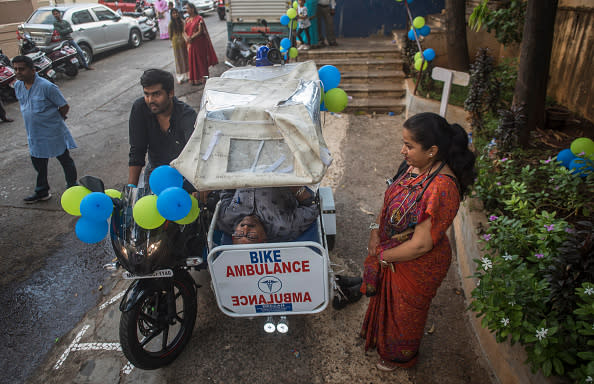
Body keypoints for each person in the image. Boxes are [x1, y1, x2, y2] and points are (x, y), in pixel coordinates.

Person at [360, 112, 476, 371]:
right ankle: (381, 340)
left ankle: (399, 357)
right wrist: (375, 229)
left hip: (418, 264)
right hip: (396, 252)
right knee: (389, 308)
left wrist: (383, 256)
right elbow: (390, 199)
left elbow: (422, 244)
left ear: (432, 150)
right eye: (403, 143)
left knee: (404, 316)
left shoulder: (441, 188)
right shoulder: (414, 167)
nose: (403, 151)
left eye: (409, 146)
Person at [12, 55, 78, 203]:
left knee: (64, 159)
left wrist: (54, 120)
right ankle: (42, 191)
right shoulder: (18, 86)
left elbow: (64, 106)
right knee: (39, 163)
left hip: (53, 132)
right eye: (15, 69)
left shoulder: (47, 87)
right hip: (34, 134)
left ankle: (73, 188)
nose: (18, 72)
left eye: (22, 69)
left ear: (32, 69)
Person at [128, 69, 197, 187]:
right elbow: (137, 151)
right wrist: (131, 189)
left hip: (183, 175)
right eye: (146, 94)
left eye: (156, 94)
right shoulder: (140, 108)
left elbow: (195, 155)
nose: (150, 100)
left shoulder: (187, 116)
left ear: (170, 93)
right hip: (155, 172)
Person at [217, 187, 319, 244]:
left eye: (239, 235)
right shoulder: (284, 225)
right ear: (264, 239)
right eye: (251, 236)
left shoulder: (225, 219)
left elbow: (226, 193)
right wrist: (297, 190)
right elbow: (312, 207)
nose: (245, 228)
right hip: (280, 167)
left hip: (243, 165)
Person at [183, 2, 218, 86]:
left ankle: (204, 78)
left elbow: (200, 31)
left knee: (201, 61)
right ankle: (195, 79)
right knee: (192, 61)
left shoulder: (199, 18)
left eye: (188, 8)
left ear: (192, 9)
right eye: (186, 9)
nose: (187, 10)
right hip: (191, 44)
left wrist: (191, 37)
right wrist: (187, 38)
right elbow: (183, 31)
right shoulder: (187, 19)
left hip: (199, 43)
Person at [168, 8, 189, 84]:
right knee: (178, 60)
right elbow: (170, 35)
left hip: (183, 42)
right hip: (176, 44)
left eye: (176, 13)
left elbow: (184, 31)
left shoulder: (181, 22)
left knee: (185, 59)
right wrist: (175, 40)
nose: (175, 14)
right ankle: (180, 77)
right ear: (171, 15)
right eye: (173, 13)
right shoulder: (171, 23)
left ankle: (187, 75)